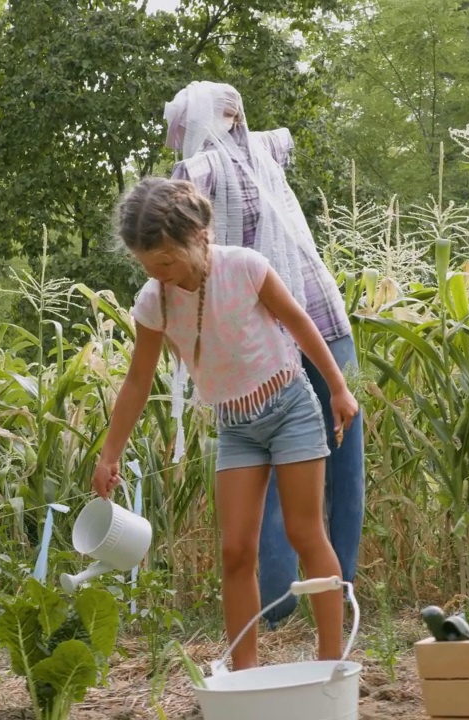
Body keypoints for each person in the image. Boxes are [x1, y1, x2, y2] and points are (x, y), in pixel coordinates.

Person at [91, 176, 359, 670]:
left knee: (305, 534)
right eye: (148, 266)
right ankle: (245, 673)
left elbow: (301, 323)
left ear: (199, 237)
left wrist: (338, 387)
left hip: (290, 409)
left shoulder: (245, 268)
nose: (160, 274)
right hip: (236, 427)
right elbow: (136, 381)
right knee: (236, 550)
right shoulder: (154, 301)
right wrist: (110, 453)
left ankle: (329, 663)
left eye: (167, 261)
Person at [163, 80, 365, 625]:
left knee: (271, 476)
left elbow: (180, 244)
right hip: (324, 313)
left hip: (264, 329)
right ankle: (339, 594)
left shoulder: (195, 173)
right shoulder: (271, 147)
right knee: (343, 467)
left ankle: (276, 607)